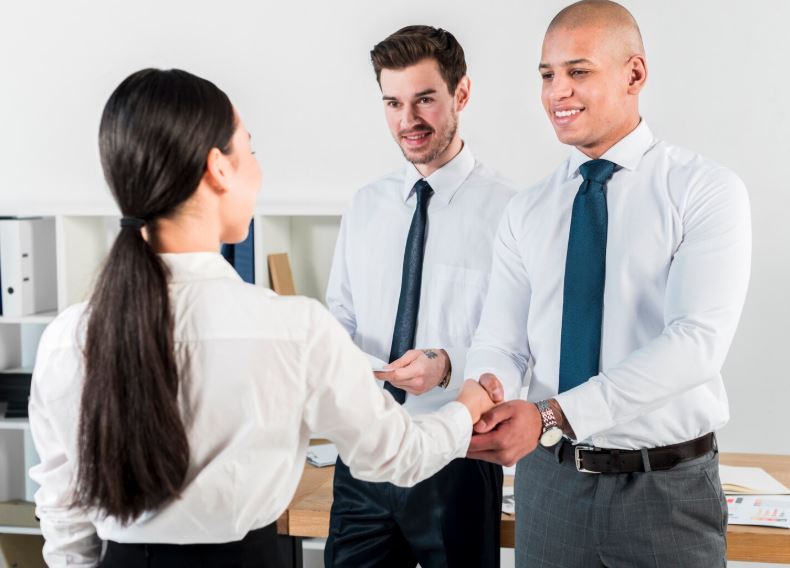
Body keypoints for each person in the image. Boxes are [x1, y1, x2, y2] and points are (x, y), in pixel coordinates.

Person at [27, 68, 498, 568]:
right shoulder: (291, 331)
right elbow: (397, 455)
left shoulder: (68, 338)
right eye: (249, 150)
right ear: (219, 169)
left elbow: (64, 514)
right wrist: (468, 404)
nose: (256, 169)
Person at [465, 2, 751, 567]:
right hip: (550, 486)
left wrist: (551, 413)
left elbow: (695, 343)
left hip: (665, 493)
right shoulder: (528, 210)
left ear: (634, 74)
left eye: (578, 72)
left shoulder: (704, 191)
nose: (556, 93)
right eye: (547, 75)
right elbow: (501, 341)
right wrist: (477, 403)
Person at [324, 25, 517, 568]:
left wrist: (449, 368)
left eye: (425, 99)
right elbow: (339, 317)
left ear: (461, 94)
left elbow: (520, 342)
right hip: (365, 452)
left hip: (455, 456)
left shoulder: (511, 212)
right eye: (393, 102)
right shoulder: (365, 206)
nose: (408, 120)